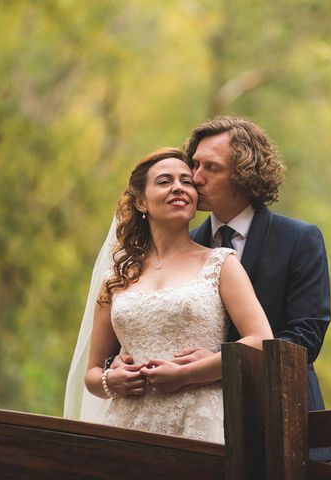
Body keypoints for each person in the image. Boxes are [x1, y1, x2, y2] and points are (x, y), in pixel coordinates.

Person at [114, 117, 331, 461]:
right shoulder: (184, 246)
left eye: (210, 168)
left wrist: (224, 362)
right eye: (195, 164)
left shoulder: (298, 240)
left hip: (278, 422)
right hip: (190, 428)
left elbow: (306, 337)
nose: (195, 177)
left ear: (244, 175)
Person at [64, 147, 273, 444]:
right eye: (164, 181)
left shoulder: (221, 264)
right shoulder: (117, 278)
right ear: (140, 201)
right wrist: (112, 381)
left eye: (186, 181)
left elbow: (261, 343)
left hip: (198, 421)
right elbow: (93, 374)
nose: (179, 187)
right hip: (128, 426)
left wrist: (188, 375)